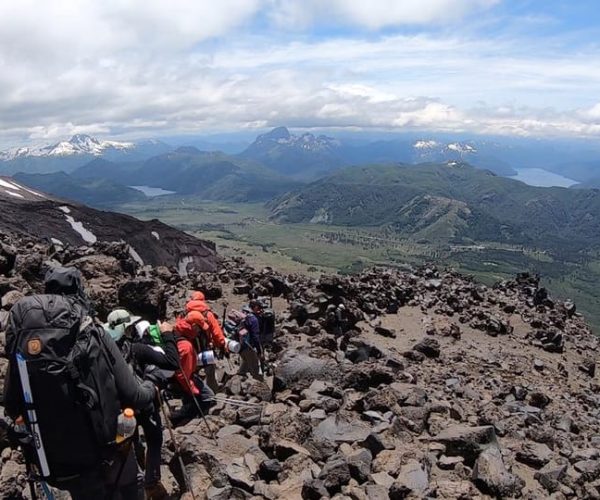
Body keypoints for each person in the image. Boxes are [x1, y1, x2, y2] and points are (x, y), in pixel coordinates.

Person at [3, 267, 156, 500]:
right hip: (108, 455)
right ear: (78, 290)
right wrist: (151, 385)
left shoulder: (24, 342)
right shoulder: (91, 330)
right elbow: (133, 395)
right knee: (131, 486)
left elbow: (12, 405)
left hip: (57, 463)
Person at [104, 309, 179, 500]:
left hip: (119, 409)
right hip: (144, 402)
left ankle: (133, 478)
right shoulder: (137, 348)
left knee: (128, 443)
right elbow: (172, 362)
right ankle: (151, 482)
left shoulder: (102, 353)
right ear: (127, 329)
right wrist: (168, 335)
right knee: (154, 439)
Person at [169, 315, 215, 425]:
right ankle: (180, 420)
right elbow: (182, 374)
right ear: (194, 326)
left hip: (179, 376)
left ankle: (183, 417)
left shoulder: (177, 329)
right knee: (207, 397)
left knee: (198, 398)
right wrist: (192, 389)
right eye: (199, 328)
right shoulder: (186, 345)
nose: (200, 332)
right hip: (184, 379)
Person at [185, 299, 227, 393]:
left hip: (191, 353)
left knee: (193, 372)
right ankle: (212, 392)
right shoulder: (208, 314)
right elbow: (216, 332)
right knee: (210, 369)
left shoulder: (185, 317)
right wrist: (221, 345)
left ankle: (197, 392)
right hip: (203, 348)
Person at [239, 300, 264, 380]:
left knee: (245, 364)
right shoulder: (254, 320)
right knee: (256, 371)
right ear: (256, 307)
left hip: (241, 345)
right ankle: (261, 388)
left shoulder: (246, 316)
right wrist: (259, 351)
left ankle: (236, 380)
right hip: (249, 347)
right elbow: (255, 337)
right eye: (260, 307)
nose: (261, 310)